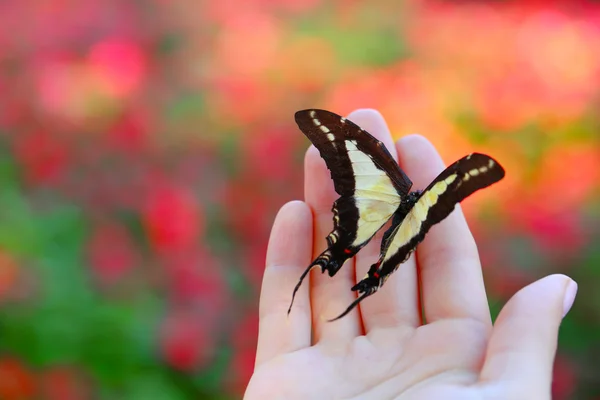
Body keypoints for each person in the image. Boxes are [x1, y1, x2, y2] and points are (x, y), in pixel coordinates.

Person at [244, 109, 578, 400]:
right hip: (383, 220)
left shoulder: (403, 187)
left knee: (369, 248)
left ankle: (355, 262)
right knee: (378, 251)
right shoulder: (416, 195)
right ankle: (364, 269)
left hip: (375, 219)